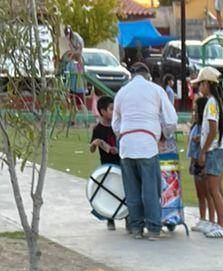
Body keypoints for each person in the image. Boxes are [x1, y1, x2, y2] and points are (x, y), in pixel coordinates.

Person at [112, 62, 177, 240]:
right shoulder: (155, 90)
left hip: (126, 145)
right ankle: (154, 228)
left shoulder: (122, 93)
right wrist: (163, 136)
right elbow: (172, 120)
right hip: (148, 145)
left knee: (132, 190)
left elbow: (115, 123)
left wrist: (124, 135)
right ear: (148, 75)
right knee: (150, 190)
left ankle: (136, 228)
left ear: (131, 76)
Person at [194, 67, 223, 239]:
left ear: (207, 84)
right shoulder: (215, 101)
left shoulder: (212, 103)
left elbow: (213, 129)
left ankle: (222, 224)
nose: (199, 87)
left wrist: (203, 151)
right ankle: (216, 222)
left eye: (201, 83)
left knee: (214, 189)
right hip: (216, 149)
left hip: (214, 150)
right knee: (213, 188)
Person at [89, 95, 121, 230]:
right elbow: (91, 149)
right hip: (107, 165)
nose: (114, 112)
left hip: (120, 163)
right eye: (111, 109)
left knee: (122, 190)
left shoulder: (118, 126)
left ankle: (128, 217)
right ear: (102, 111)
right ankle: (110, 219)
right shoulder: (98, 129)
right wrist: (95, 144)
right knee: (108, 191)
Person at [187, 88, 213, 233]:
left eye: (196, 110)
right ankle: (202, 218)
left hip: (202, 161)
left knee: (207, 192)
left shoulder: (204, 128)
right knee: (200, 193)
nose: (194, 113)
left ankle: (210, 219)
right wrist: (191, 162)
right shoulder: (195, 126)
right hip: (195, 161)